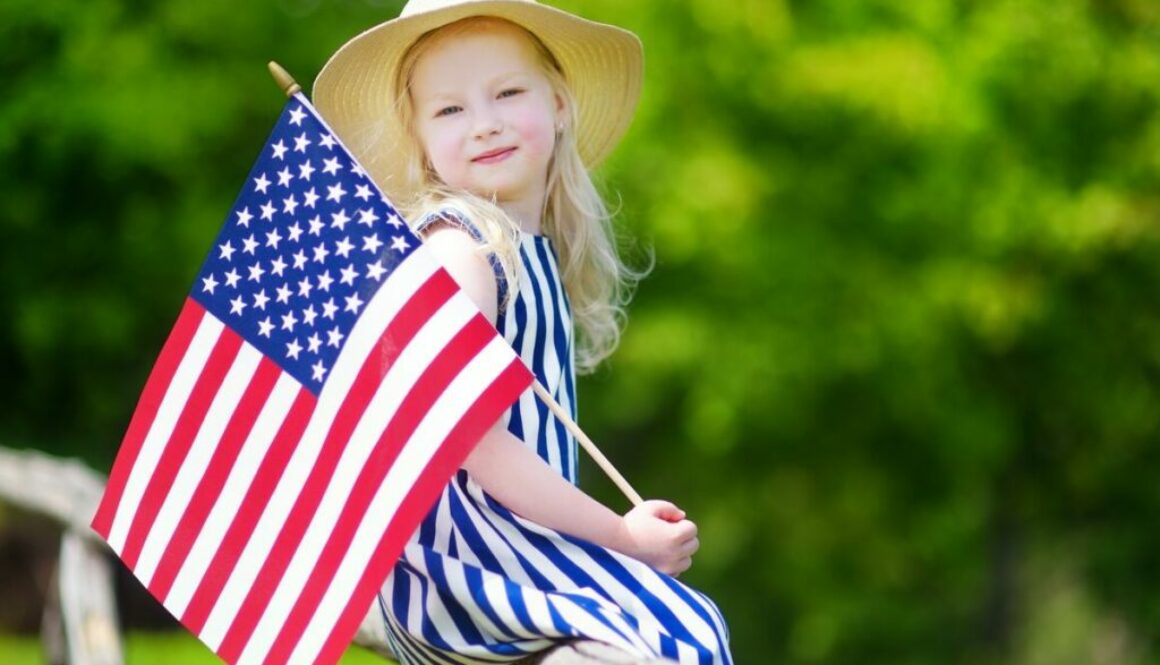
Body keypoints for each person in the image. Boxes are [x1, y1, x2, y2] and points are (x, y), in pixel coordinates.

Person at [314, 1, 732, 662]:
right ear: (418, 135)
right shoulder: (464, 253)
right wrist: (620, 535)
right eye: (449, 110)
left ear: (560, 103)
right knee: (681, 634)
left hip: (515, 543)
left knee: (687, 625)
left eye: (508, 92)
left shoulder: (530, 247)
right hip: (462, 567)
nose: (484, 124)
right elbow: (473, 442)